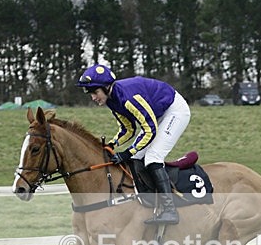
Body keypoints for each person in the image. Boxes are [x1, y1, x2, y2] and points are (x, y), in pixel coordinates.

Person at [76, 64, 190, 225]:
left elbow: (150, 130)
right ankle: (149, 202)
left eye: (95, 92)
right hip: (158, 114)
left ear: (106, 87)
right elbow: (128, 129)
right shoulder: (112, 101)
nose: (93, 98)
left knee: (152, 157)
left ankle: (170, 210)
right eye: (90, 94)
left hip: (174, 111)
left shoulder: (128, 99)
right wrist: (112, 144)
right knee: (136, 157)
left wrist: (127, 152)